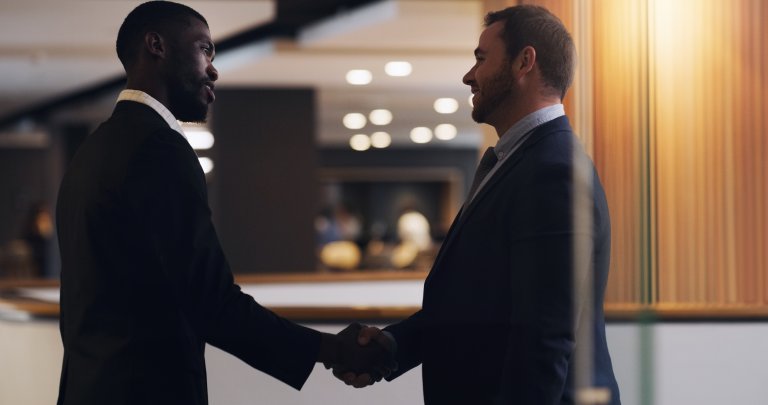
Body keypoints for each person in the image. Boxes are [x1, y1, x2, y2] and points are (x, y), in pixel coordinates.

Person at [55, 2, 393, 405]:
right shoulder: (158, 148)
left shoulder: (93, 150)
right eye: (204, 49)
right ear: (156, 45)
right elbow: (211, 299)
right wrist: (332, 349)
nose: (213, 69)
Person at [331, 5, 621, 404]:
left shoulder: (554, 172)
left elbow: (542, 344)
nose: (469, 76)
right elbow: (479, 306)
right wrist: (392, 346)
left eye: (481, 59)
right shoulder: (519, 163)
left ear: (524, 62)